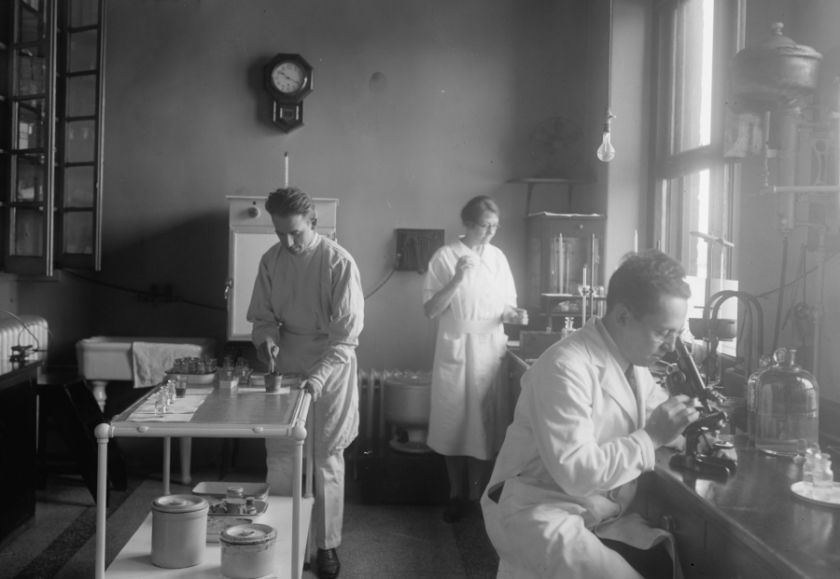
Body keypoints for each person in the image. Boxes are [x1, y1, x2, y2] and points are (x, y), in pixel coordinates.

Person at [481, 249, 700, 579]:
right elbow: (576, 472)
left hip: (594, 508)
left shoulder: (632, 362)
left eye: (676, 334)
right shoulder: (564, 367)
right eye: (662, 332)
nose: (670, 346)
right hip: (536, 510)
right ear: (623, 316)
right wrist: (653, 436)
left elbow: (659, 413)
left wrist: (692, 432)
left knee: (670, 560)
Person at [247, 187, 364, 579]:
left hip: (332, 367)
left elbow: (345, 338)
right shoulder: (271, 261)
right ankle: (280, 539)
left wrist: (318, 377)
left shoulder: (338, 262)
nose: (289, 241)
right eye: (280, 233)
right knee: (281, 457)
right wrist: (267, 342)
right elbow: (262, 318)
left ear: (313, 223)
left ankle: (326, 547)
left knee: (326, 459)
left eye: (295, 232)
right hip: (288, 365)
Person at [423, 195, 528, 523]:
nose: (491, 232)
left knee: (484, 427)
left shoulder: (498, 258)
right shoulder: (445, 257)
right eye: (485, 226)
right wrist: (457, 278)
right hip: (457, 347)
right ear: (468, 224)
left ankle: (476, 495)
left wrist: (515, 314)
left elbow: (507, 304)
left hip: (490, 349)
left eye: (496, 226)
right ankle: (456, 494)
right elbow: (430, 310)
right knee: (453, 425)